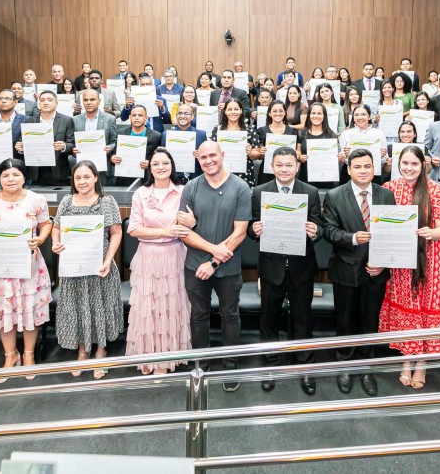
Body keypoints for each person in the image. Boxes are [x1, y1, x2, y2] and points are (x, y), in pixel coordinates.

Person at [248, 146, 323, 396]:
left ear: (297, 166)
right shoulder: (259, 192)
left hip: (301, 268)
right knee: (269, 320)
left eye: (289, 165)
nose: (284, 169)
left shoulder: (310, 192)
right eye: (279, 165)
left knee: (302, 319)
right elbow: (250, 228)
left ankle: (304, 367)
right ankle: (270, 366)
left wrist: (316, 231)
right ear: (271, 166)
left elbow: (320, 226)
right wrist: (253, 230)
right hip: (272, 267)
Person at [178, 141, 251, 392]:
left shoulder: (240, 187)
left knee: (230, 315)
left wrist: (214, 261)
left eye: (213, 155)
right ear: (198, 160)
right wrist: (213, 251)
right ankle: (201, 365)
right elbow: (183, 232)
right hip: (195, 266)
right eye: (203, 157)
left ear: (222, 155)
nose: (208, 161)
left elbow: (240, 232)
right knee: (198, 316)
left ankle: (230, 366)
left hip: (227, 268)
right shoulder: (191, 187)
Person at [323, 148, 396, 396]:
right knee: (345, 321)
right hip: (346, 269)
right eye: (357, 167)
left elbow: (393, 232)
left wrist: (384, 263)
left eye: (367, 166)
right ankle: (345, 365)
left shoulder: (386, 195)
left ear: (374, 169)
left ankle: (366, 367)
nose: (363, 171)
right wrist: (352, 237)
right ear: (349, 170)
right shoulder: (334, 195)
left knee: (369, 321)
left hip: (376, 270)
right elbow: (328, 231)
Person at [380, 145, 440, 388]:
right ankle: (406, 360)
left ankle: (421, 364)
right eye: (405, 163)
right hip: (401, 260)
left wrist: (429, 232)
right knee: (407, 310)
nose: (409, 168)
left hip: (431, 258)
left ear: (423, 165)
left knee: (425, 310)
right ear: (398, 164)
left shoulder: (439, 190)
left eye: (414, 164)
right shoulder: (389, 188)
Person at [0, 159, 52, 379]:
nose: (10, 179)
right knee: (2, 308)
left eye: (16, 174)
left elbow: (46, 224)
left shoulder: (36, 199)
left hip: (28, 265)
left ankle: (28, 354)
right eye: (5, 175)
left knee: (29, 309)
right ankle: (10, 354)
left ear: (24, 177)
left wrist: (41, 238)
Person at [53, 160, 123, 379]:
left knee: (100, 306)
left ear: (95, 178)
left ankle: (101, 349)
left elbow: (116, 233)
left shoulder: (107, 201)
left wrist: (108, 260)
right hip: (73, 266)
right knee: (77, 307)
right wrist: (55, 242)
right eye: (78, 177)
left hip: (100, 265)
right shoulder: (67, 201)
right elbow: (56, 227)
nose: (82, 181)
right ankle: (82, 350)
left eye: (86, 177)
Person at [126, 149, 192, 374]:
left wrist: (190, 222)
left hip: (174, 254)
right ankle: (147, 355)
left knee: (171, 306)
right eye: (156, 163)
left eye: (165, 163)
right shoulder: (141, 193)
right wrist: (165, 231)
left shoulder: (183, 191)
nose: (161, 167)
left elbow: (190, 223)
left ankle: (165, 360)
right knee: (148, 307)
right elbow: (134, 229)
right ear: (150, 168)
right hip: (148, 256)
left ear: (172, 166)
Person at [18, 90, 76, 186]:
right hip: (35, 172)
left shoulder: (67, 120)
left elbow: (72, 144)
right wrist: (20, 148)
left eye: (50, 100)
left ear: (56, 103)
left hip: (58, 171)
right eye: (42, 100)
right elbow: (22, 143)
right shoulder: (30, 121)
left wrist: (64, 146)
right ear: (38, 103)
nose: (45, 103)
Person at [297, 102, 346, 191]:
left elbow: (338, 156)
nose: (316, 116)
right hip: (306, 178)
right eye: (313, 113)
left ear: (324, 116)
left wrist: (341, 158)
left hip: (327, 179)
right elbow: (298, 154)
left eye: (319, 113)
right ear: (309, 115)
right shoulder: (301, 134)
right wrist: (299, 158)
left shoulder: (331, 135)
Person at [71, 88, 118, 180]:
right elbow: (71, 143)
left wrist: (110, 148)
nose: (88, 103)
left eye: (92, 99)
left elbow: (114, 142)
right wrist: (73, 150)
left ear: (99, 101)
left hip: (103, 168)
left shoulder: (110, 119)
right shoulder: (75, 120)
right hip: (82, 168)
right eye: (85, 100)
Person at [210, 99, 257, 187]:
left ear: (241, 111)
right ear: (225, 111)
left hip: (244, 174)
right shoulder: (217, 130)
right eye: (229, 109)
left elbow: (257, 154)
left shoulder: (250, 130)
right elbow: (211, 151)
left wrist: (250, 152)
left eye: (236, 109)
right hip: (221, 172)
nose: (233, 112)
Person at [112, 104, 163, 184]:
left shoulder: (156, 136)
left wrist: (151, 164)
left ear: (146, 118)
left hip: (147, 179)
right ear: (130, 118)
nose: (136, 118)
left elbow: (160, 158)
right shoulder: (121, 133)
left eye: (140, 115)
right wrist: (113, 158)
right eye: (134, 115)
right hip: (123, 178)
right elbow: (114, 153)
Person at [339, 104, 388, 184]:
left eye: (363, 114)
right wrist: (345, 156)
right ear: (353, 117)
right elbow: (342, 158)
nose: (360, 117)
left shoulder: (379, 134)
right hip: (349, 176)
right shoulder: (346, 134)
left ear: (369, 116)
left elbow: (384, 163)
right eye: (356, 115)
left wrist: (381, 156)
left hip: (373, 175)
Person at [254, 100, 300, 184]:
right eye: (274, 111)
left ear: (285, 113)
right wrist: (261, 152)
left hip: (287, 172)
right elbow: (259, 155)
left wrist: (298, 154)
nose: (278, 113)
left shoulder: (293, 131)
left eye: (281, 111)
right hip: (266, 172)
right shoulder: (261, 131)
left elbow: (298, 154)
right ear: (269, 113)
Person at [160, 106, 207, 180]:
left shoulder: (201, 135)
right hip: (172, 178)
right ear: (176, 116)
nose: (182, 116)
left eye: (186, 113)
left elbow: (206, 158)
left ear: (192, 116)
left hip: (195, 179)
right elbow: (161, 157)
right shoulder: (166, 135)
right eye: (180, 113)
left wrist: (200, 155)